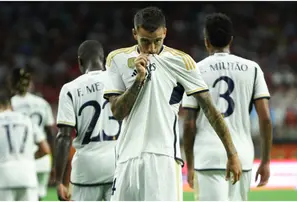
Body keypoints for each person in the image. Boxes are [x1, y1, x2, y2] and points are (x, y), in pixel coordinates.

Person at [103, 6, 242, 201]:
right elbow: (117, 112)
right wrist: (138, 81)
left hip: (164, 157)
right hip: (127, 157)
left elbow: (210, 109)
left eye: (157, 41)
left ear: (165, 33)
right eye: (145, 41)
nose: (151, 48)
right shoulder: (117, 59)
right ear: (135, 34)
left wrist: (232, 153)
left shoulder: (182, 61)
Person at [182, 13, 272, 201]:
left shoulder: (194, 70)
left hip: (207, 156)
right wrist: (265, 161)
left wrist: (189, 164)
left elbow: (189, 124)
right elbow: (265, 119)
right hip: (243, 156)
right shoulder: (252, 69)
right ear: (231, 40)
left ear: (206, 42)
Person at [55, 40, 121, 201]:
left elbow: (64, 137)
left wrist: (59, 180)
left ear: (80, 61)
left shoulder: (70, 89)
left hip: (86, 170)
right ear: (103, 58)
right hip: (118, 165)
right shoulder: (120, 82)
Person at [0, 93, 50, 201]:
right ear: (11, 106)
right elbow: (45, 149)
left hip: (4, 175)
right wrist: (29, 158)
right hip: (27, 174)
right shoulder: (27, 120)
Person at [9, 68, 56, 201]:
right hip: (43, 157)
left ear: (11, 83)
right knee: (37, 198)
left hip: (20, 158)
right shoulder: (43, 103)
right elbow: (50, 134)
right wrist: (53, 163)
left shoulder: (10, 104)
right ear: (30, 83)